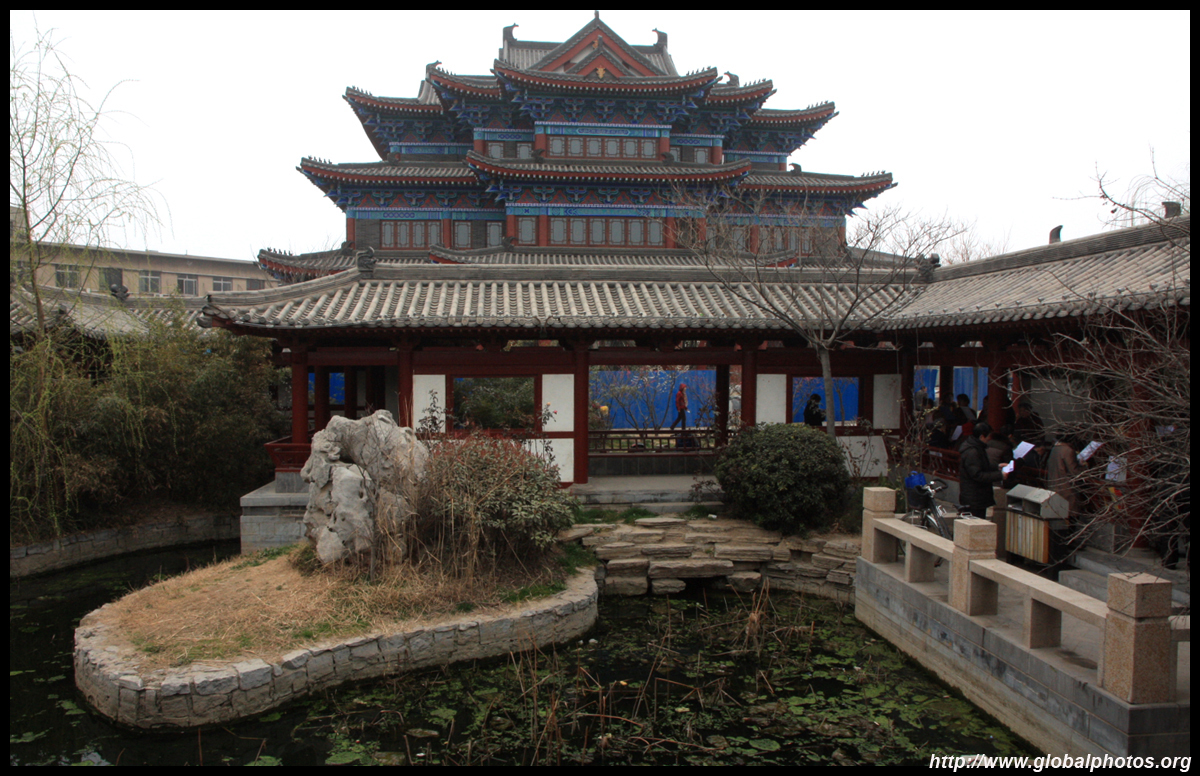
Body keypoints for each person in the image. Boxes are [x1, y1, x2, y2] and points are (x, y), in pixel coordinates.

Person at [958, 421, 1006, 519]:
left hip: (977, 495)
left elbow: (981, 465)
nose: (989, 440)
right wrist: (1000, 475)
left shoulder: (976, 447)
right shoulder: (972, 451)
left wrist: (997, 466)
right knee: (976, 520)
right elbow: (977, 475)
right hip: (974, 496)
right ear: (982, 437)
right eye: (988, 437)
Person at [1045, 433, 1082, 517]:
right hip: (1066, 487)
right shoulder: (1068, 450)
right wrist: (1084, 467)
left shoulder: (1055, 448)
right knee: (1070, 514)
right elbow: (1074, 471)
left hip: (1054, 485)